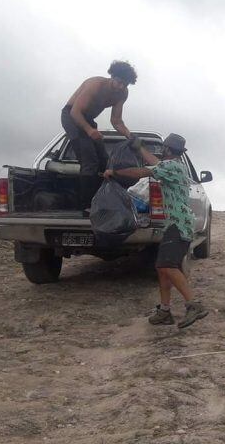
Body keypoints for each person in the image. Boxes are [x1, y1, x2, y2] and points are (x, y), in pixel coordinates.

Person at [104, 133, 208, 328]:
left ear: (167, 150)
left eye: (164, 149)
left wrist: (116, 172)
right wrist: (140, 147)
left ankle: (194, 305)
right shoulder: (173, 165)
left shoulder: (172, 166)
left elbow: (142, 172)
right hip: (174, 225)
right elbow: (153, 162)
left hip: (178, 225)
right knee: (162, 268)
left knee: (168, 266)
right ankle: (165, 311)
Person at [61, 60, 137, 208]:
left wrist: (130, 136)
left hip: (88, 119)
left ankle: (105, 200)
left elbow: (116, 121)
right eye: (119, 82)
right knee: (90, 161)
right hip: (71, 116)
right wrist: (89, 131)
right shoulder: (95, 85)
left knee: (104, 161)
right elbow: (75, 112)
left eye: (125, 84)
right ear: (112, 77)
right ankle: (86, 206)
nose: (121, 87)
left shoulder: (122, 93)